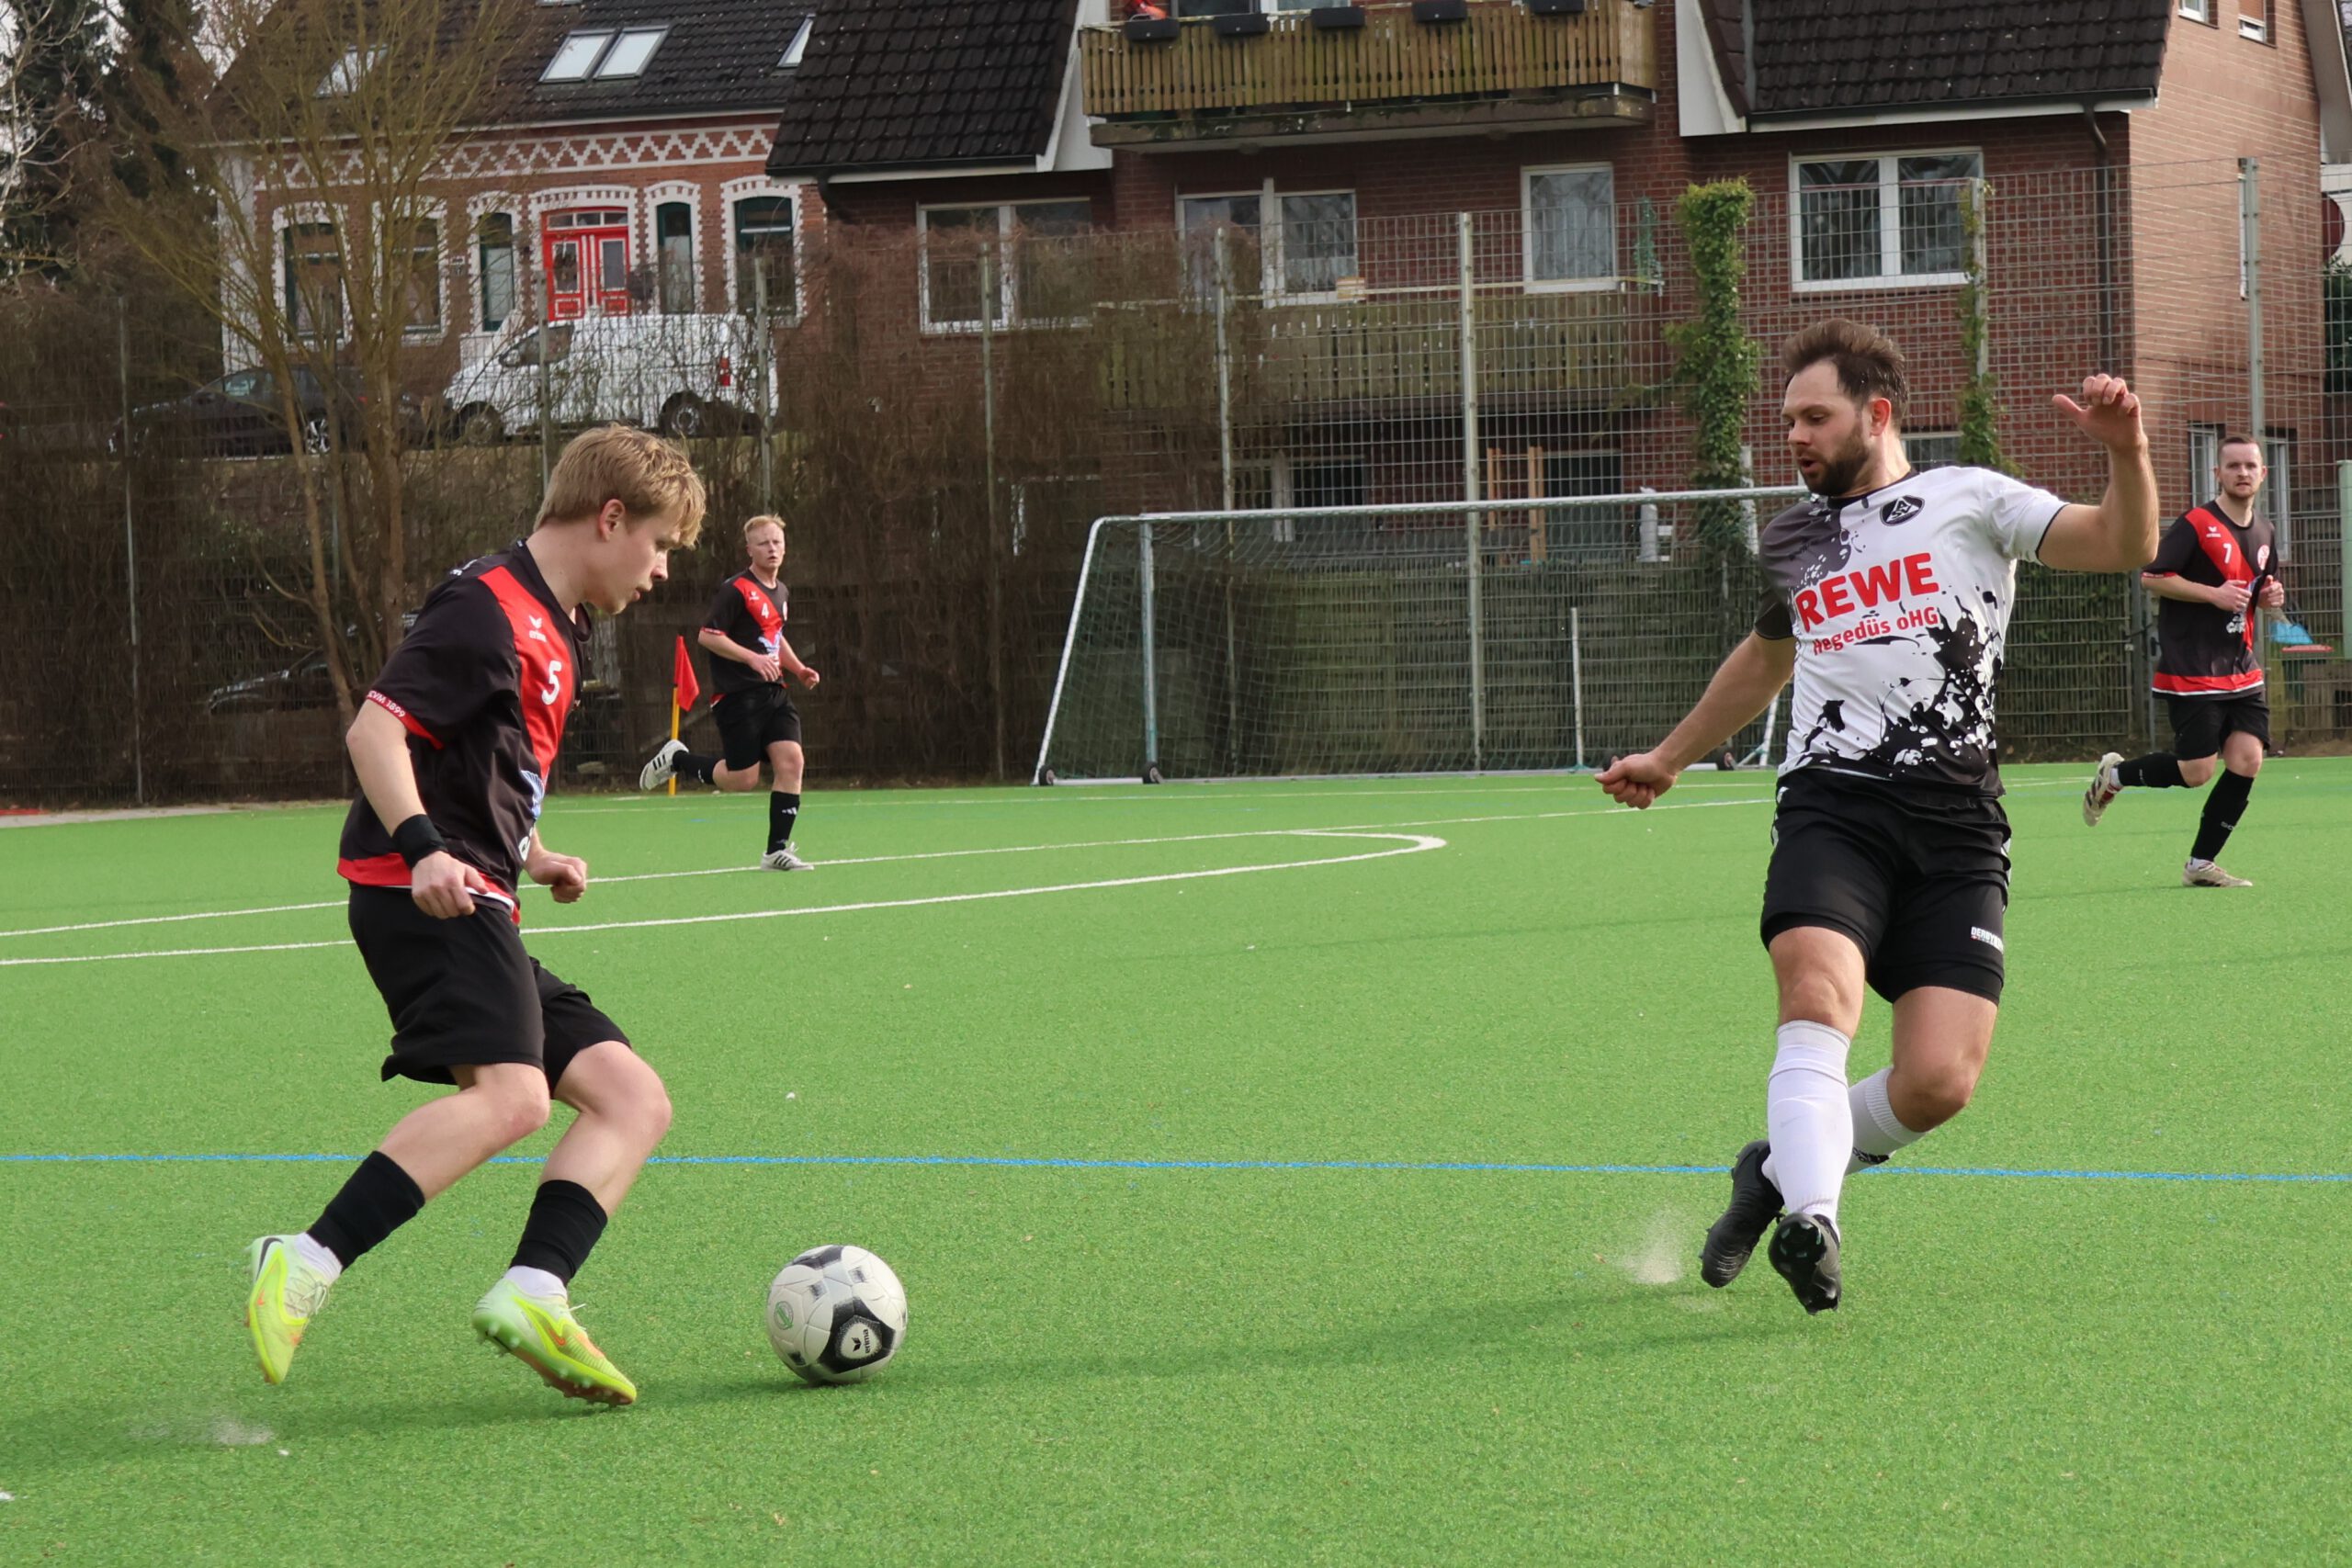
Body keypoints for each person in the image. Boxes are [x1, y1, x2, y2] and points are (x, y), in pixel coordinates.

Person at [1597, 319, 2156, 1314]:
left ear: (1877, 413)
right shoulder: (1792, 539)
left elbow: (2124, 543)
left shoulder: (1971, 498)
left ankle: (1774, 1173)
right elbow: (1768, 656)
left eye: (1815, 417)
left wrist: (2127, 451)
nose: (1795, 436)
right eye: (1787, 421)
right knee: (1817, 999)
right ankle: (1813, 1221)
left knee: (1938, 1081)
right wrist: (1669, 758)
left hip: (1957, 824)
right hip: (1833, 804)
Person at [243, 425, 707, 1405]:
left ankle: (536, 1291)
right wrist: (423, 849)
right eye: (660, 543)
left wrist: (535, 853)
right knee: (513, 1098)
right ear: (610, 518)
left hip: (482, 889)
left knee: (632, 1099)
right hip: (419, 892)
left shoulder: (561, 626)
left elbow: (491, 768)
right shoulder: (485, 607)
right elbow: (376, 731)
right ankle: (305, 1258)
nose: (662, 569)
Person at [2079, 434, 2283, 886]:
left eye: (2250, 466)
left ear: (2263, 473)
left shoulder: (2266, 531)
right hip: (2192, 667)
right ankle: (2116, 775)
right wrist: (2212, 594)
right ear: (2217, 473)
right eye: (2233, 466)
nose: (2242, 473)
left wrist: (2270, 597)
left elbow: (2259, 589)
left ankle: (2200, 863)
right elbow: (2153, 577)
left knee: (2248, 759)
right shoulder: (2197, 524)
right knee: (2196, 772)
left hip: (2241, 668)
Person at [637, 513, 820, 871]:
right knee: (742, 779)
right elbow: (708, 636)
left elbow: (774, 636)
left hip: (775, 693)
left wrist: (798, 668)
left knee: (792, 761)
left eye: (777, 542)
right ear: (749, 549)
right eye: (763, 543)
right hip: (738, 696)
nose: (772, 548)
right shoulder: (736, 589)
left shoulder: (781, 591)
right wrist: (752, 658)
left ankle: (776, 851)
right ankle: (677, 760)